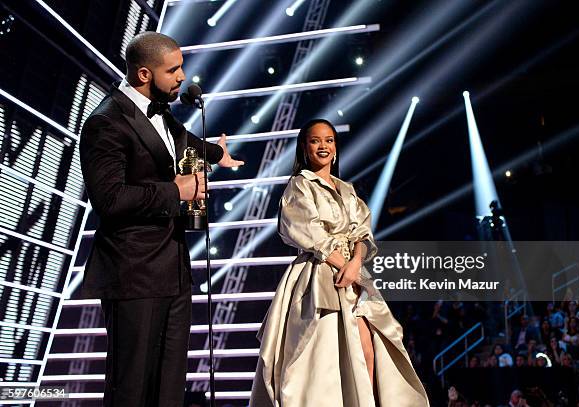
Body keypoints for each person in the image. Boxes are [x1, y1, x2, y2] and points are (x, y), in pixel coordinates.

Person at [79, 31, 243, 406]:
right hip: (133, 273)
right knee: (132, 387)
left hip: (173, 270)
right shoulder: (106, 122)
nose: (183, 77)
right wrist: (177, 190)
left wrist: (218, 155)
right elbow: (109, 199)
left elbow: (183, 142)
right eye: (174, 70)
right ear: (143, 75)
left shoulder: (163, 114)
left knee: (169, 387)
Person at [249, 119, 429, 406]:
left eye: (329, 140)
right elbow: (306, 231)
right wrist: (341, 264)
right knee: (324, 353)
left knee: (370, 346)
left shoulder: (347, 188)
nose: (323, 146)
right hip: (319, 275)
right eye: (316, 140)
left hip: (353, 273)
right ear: (305, 147)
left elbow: (361, 230)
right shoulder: (300, 185)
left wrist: (355, 263)